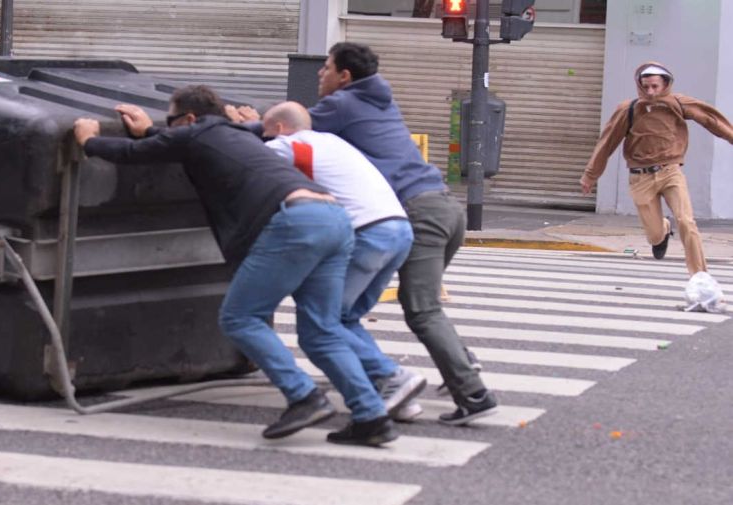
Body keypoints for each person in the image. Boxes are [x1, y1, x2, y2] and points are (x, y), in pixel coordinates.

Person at [74, 85, 407, 446]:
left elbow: (131, 152)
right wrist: (154, 131)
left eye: (173, 122)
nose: (172, 129)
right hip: (333, 218)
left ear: (187, 119)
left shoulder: (196, 133)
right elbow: (179, 144)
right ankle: (372, 417)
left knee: (240, 317)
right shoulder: (234, 133)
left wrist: (89, 141)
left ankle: (303, 396)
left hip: (294, 222)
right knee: (321, 330)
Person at [307, 42, 497, 426]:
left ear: (344, 76)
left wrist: (232, 120)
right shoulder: (379, 101)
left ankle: (473, 393)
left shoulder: (340, 105)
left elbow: (286, 130)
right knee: (423, 304)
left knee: (420, 308)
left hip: (417, 211)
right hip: (444, 207)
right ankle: (462, 363)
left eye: (326, 68)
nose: (319, 74)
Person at [256, 101, 427, 420]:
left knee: (323, 323)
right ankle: (397, 394)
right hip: (398, 230)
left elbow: (249, 160)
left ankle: (393, 376)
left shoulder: (289, 144)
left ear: (279, 129)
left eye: (267, 132)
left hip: (365, 233)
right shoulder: (333, 142)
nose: (267, 139)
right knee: (345, 319)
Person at [581, 62, 733, 275]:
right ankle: (663, 229)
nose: (651, 92)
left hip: (671, 172)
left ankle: (699, 275)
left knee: (687, 222)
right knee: (654, 236)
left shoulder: (678, 103)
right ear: (640, 85)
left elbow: (711, 119)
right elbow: (608, 141)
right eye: (646, 87)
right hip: (640, 177)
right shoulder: (629, 109)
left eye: (655, 86)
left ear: (666, 84)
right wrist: (591, 175)